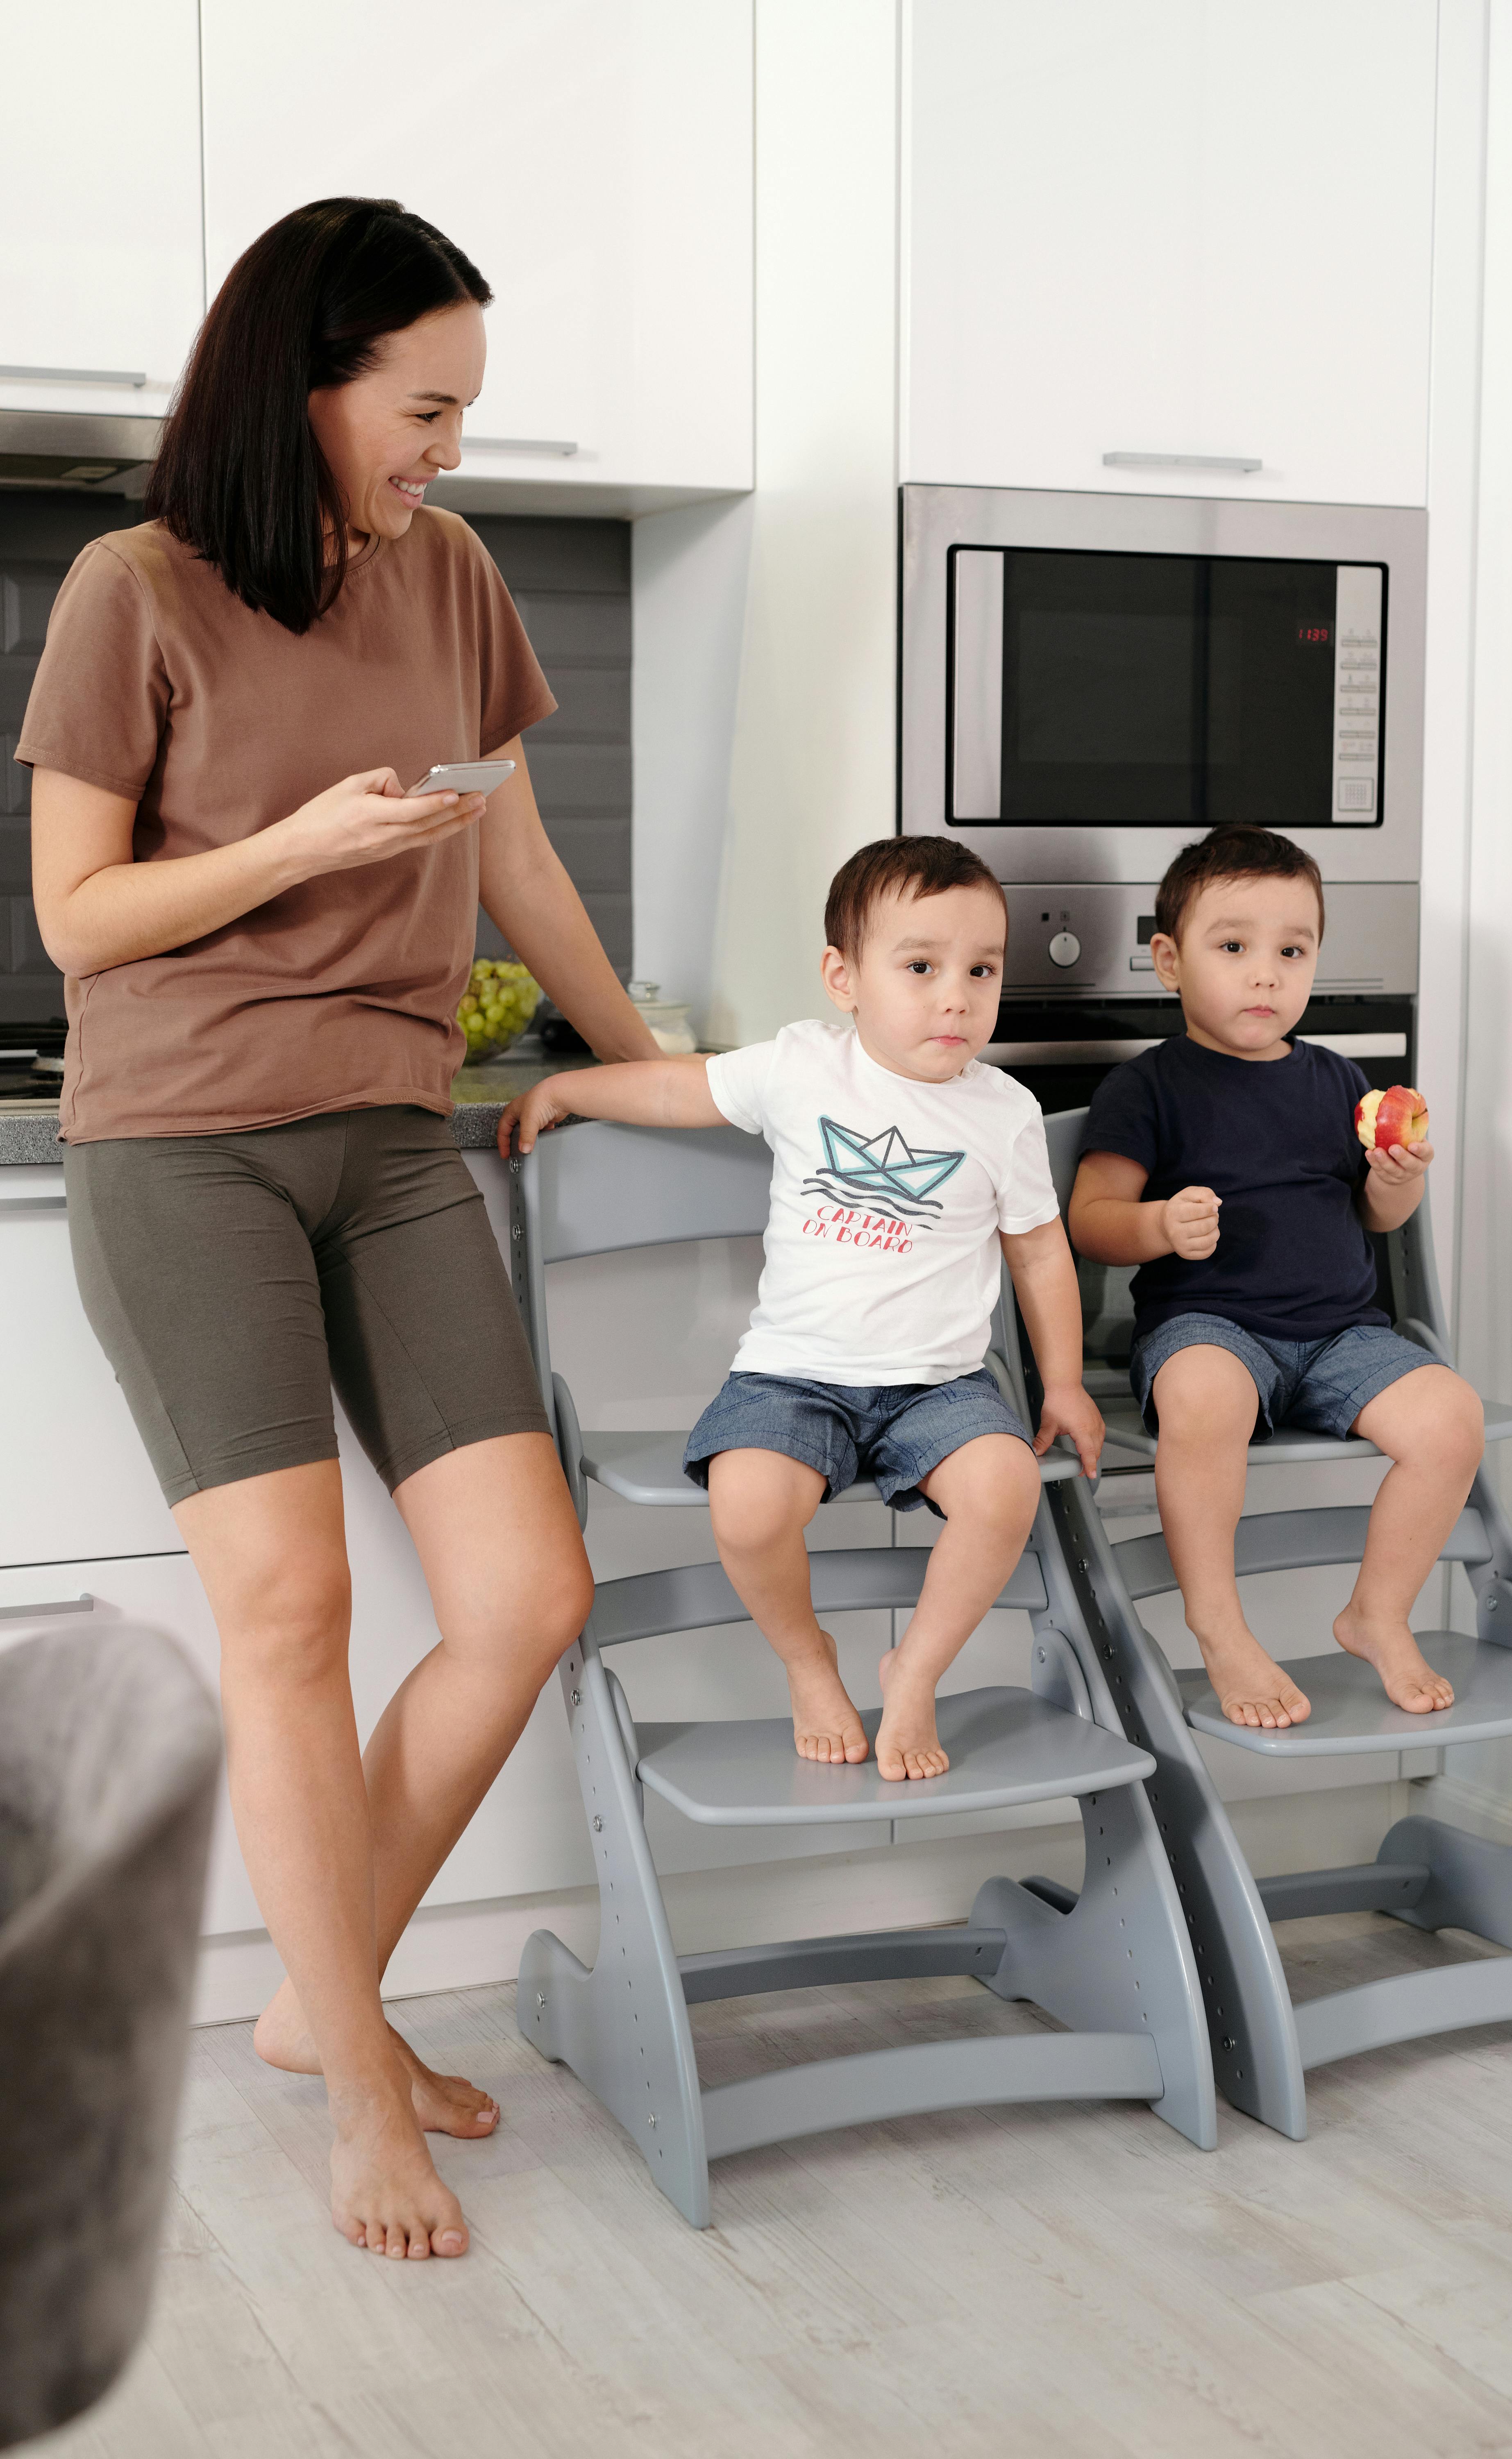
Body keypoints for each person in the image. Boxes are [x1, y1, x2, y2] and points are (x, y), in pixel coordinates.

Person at [19, 198, 662, 2262]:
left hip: (391, 1142)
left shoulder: (451, 572)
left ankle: (320, 1995)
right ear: (303, 379)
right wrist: (301, 842)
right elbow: (75, 918)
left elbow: (523, 862)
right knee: (287, 1608)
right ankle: (362, 2073)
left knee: (526, 1594)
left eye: (463, 413)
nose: (447, 450)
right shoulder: (135, 588)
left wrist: (653, 1066)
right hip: (184, 1146)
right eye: (423, 407)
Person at [502, 836, 1106, 1779]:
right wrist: (566, 1086)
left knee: (1005, 1491)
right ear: (842, 977)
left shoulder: (1004, 1113)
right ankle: (805, 1658)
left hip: (937, 1386)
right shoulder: (800, 1067)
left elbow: (1038, 1252)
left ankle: (916, 1667)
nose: (956, 995)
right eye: (920, 967)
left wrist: (1061, 1383)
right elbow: (674, 1086)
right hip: (793, 1376)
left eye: (980, 969)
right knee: (745, 1509)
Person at [1068, 824, 1485, 1732]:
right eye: (1232, 948)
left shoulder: (1338, 1079)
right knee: (1206, 1399)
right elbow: (1090, 1222)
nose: (1266, 974)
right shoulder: (1149, 1088)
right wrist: (1157, 1225)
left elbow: (1375, 1222)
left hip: (1344, 1335)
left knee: (1451, 1419)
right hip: (1208, 1328)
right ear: (1169, 961)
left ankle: (1375, 1612)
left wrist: (1392, 1182)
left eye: (1290, 951)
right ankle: (1216, 1624)